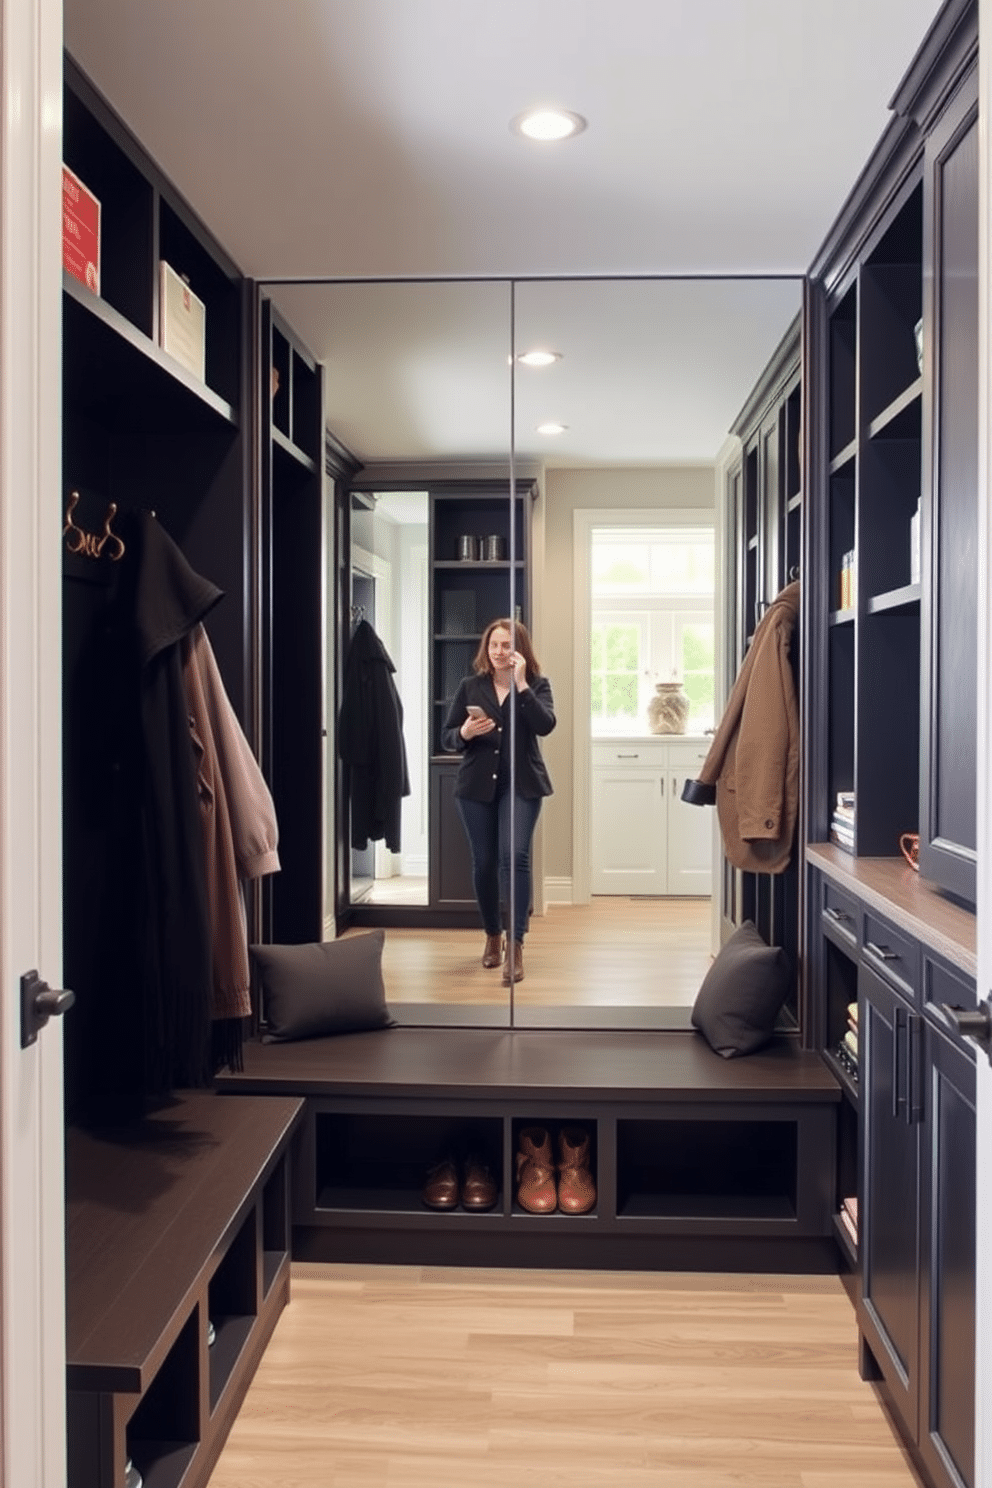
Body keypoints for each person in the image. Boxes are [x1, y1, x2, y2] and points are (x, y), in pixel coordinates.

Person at [441, 618, 555, 984]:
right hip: (475, 787)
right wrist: (464, 731)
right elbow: (446, 736)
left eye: (506, 645)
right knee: (485, 862)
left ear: (519, 649)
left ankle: (516, 945)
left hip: (522, 785)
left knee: (515, 858)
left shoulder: (537, 685)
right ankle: (492, 935)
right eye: (494, 645)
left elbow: (545, 725)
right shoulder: (469, 686)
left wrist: (522, 686)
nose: (499, 652)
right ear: (486, 649)